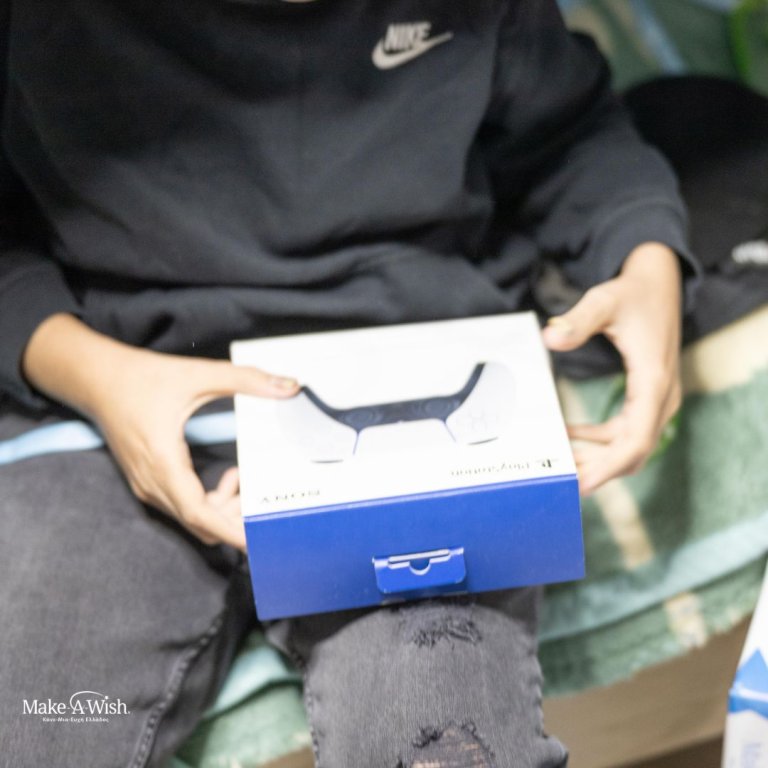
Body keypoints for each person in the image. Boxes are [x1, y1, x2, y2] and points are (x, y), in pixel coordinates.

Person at [0, 0, 698, 766]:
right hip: (96, 410)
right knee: (33, 731)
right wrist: (93, 374)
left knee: (447, 746)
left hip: (422, 392)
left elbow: (571, 137)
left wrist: (644, 256)